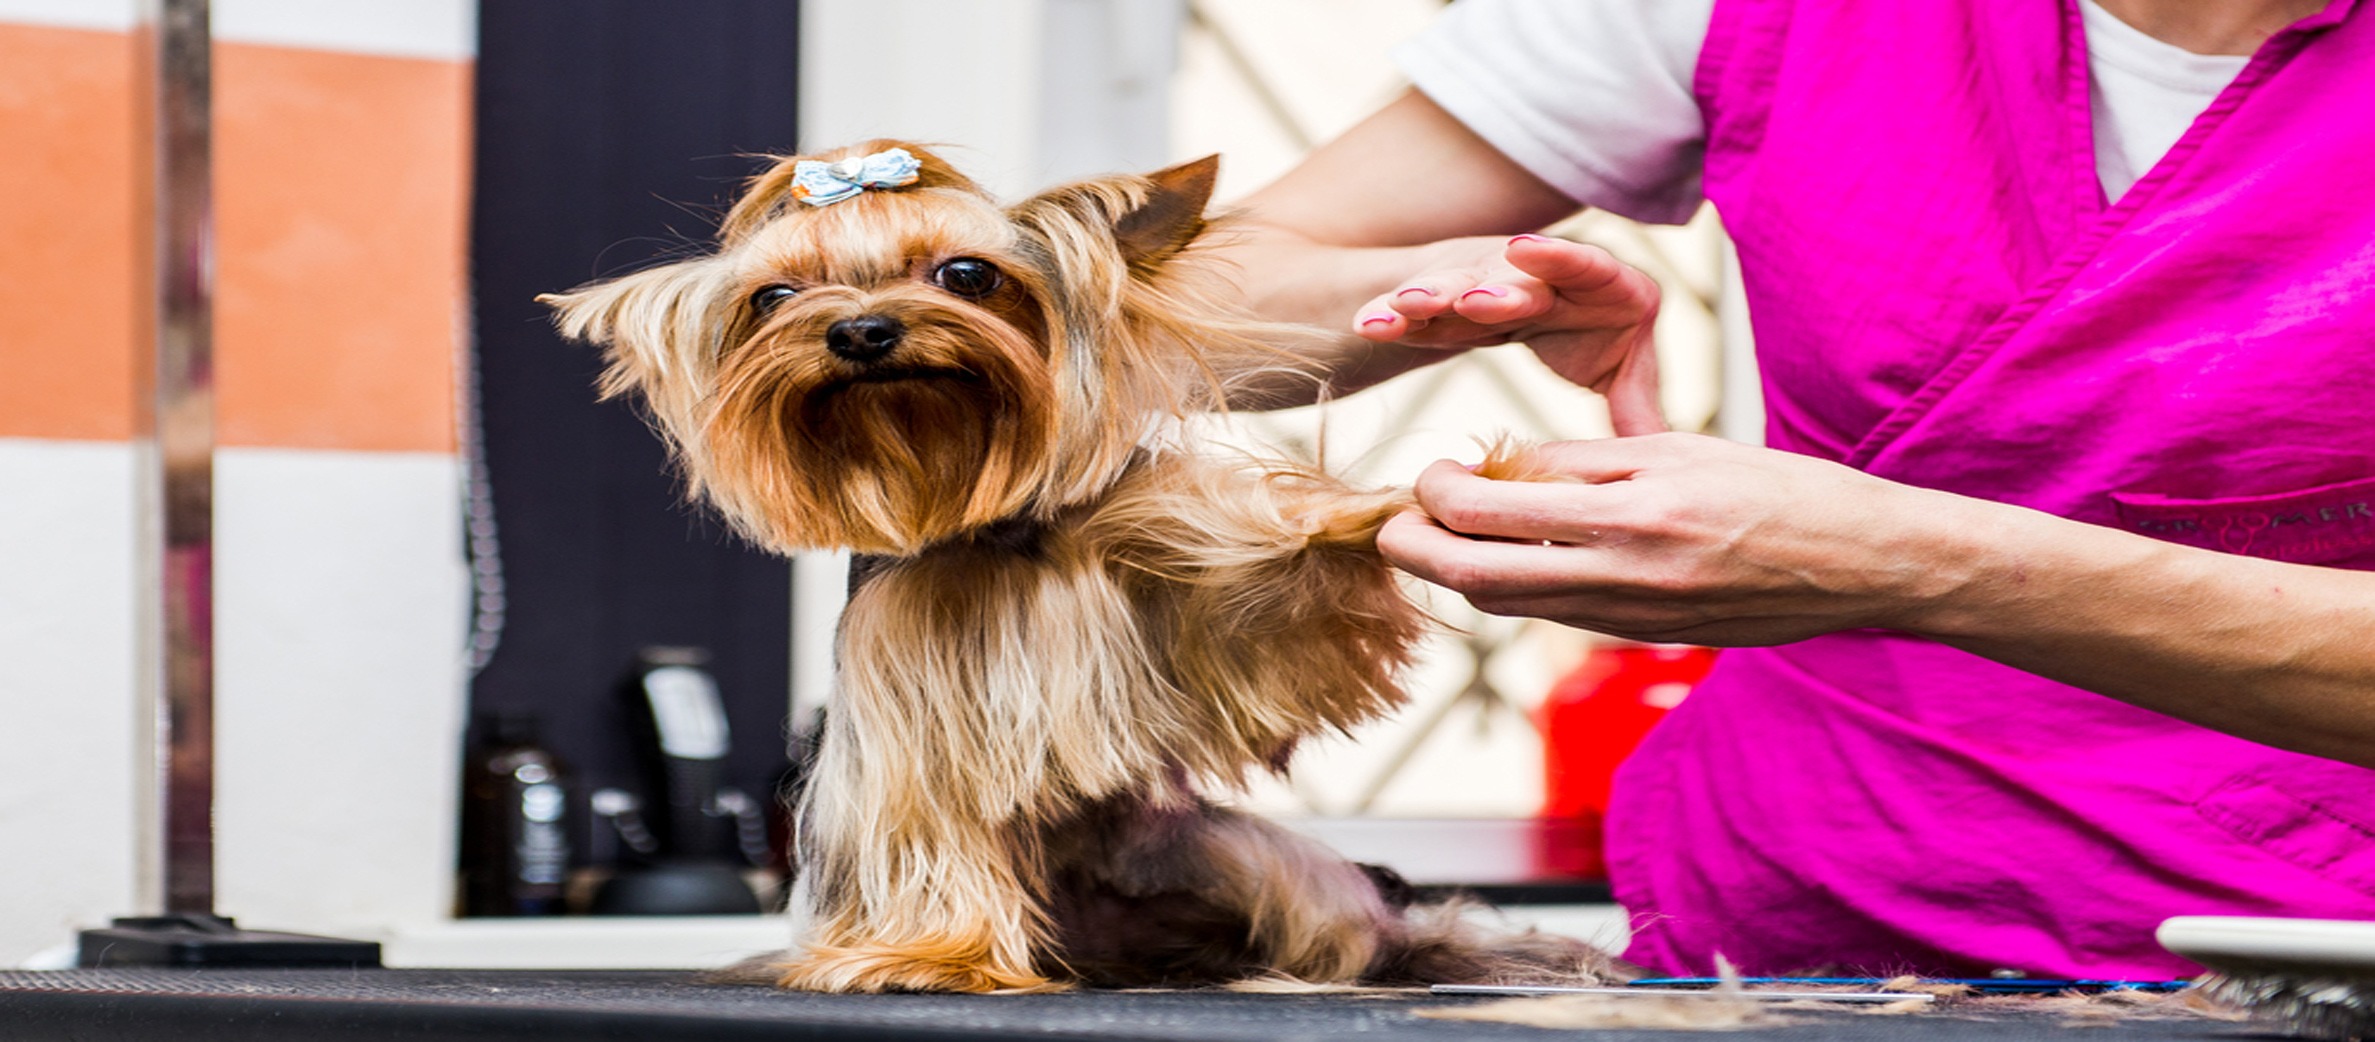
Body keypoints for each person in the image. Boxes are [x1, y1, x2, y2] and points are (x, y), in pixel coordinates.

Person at [1214, 0, 2375, 978]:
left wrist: (1906, 562)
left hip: (2308, 953)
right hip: (1782, 935)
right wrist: (1451, 283)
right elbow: (1209, 307)